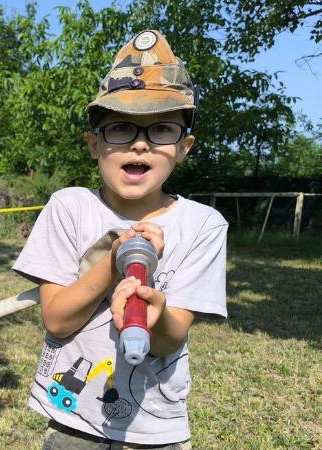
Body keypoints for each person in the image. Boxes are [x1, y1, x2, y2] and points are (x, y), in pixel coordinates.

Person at [12, 30, 227, 448]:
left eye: (162, 128)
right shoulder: (70, 207)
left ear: (185, 146)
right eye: (121, 128)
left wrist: (155, 314)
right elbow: (57, 319)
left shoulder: (204, 225)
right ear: (94, 144)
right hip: (73, 417)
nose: (141, 143)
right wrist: (111, 263)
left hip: (154, 427)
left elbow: (168, 339)